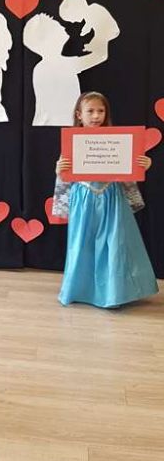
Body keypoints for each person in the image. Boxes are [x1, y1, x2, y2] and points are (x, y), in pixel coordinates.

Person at [53, 91, 158, 308]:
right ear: (79, 114)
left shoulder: (117, 140)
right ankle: (79, 289)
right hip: (83, 199)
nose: (96, 116)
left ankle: (113, 293)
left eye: (100, 111)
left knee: (114, 243)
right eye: (90, 111)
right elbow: (65, 173)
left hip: (112, 198)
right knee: (82, 244)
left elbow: (128, 168)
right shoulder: (72, 142)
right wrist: (59, 169)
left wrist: (143, 165)